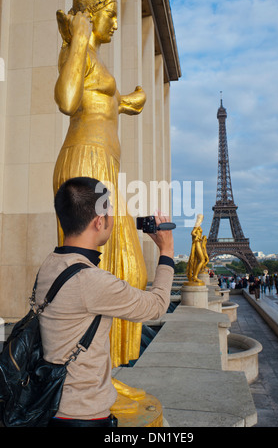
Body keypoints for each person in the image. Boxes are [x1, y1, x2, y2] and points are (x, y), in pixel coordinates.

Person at [53, 0, 149, 393]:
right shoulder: (79, 50)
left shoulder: (94, 58)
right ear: (90, 15)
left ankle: (103, 374)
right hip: (85, 164)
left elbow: (97, 102)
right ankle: (91, 379)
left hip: (102, 166)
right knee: (105, 272)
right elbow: (67, 97)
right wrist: (77, 38)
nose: (115, 21)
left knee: (120, 269)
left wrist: (125, 101)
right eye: (109, 13)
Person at [35, 177, 174, 427]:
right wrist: (167, 253)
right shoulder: (90, 281)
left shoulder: (50, 264)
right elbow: (157, 306)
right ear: (99, 221)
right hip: (84, 413)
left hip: (51, 403)